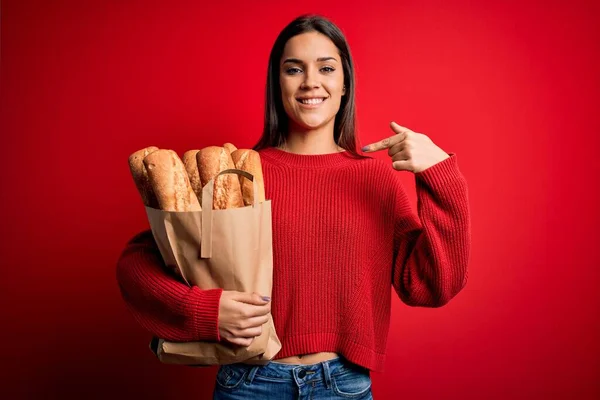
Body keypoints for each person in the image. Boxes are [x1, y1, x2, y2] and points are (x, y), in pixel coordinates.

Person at [116, 14, 471, 400]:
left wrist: (439, 173)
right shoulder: (238, 174)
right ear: (278, 83)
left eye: (326, 68)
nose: (310, 82)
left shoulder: (375, 180)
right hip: (249, 384)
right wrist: (205, 311)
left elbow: (432, 286)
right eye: (294, 69)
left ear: (344, 84)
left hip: (344, 386)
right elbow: (137, 261)